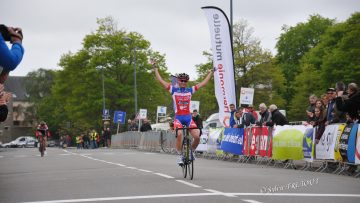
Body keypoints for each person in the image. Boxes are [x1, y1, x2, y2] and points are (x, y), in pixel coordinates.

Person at [152, 59, 213, 164]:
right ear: (178, 81)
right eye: (181, 81)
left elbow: (203, 83)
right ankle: (180, 155)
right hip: (179, 118)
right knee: (180, 134)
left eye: (185, 81)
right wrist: (155, 68)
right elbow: (161, 80)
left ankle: (191, 152)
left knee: (197, 136)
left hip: (188, 118)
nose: (183, 82)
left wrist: (211, 72)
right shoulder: (173, 90)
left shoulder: (190, 90)